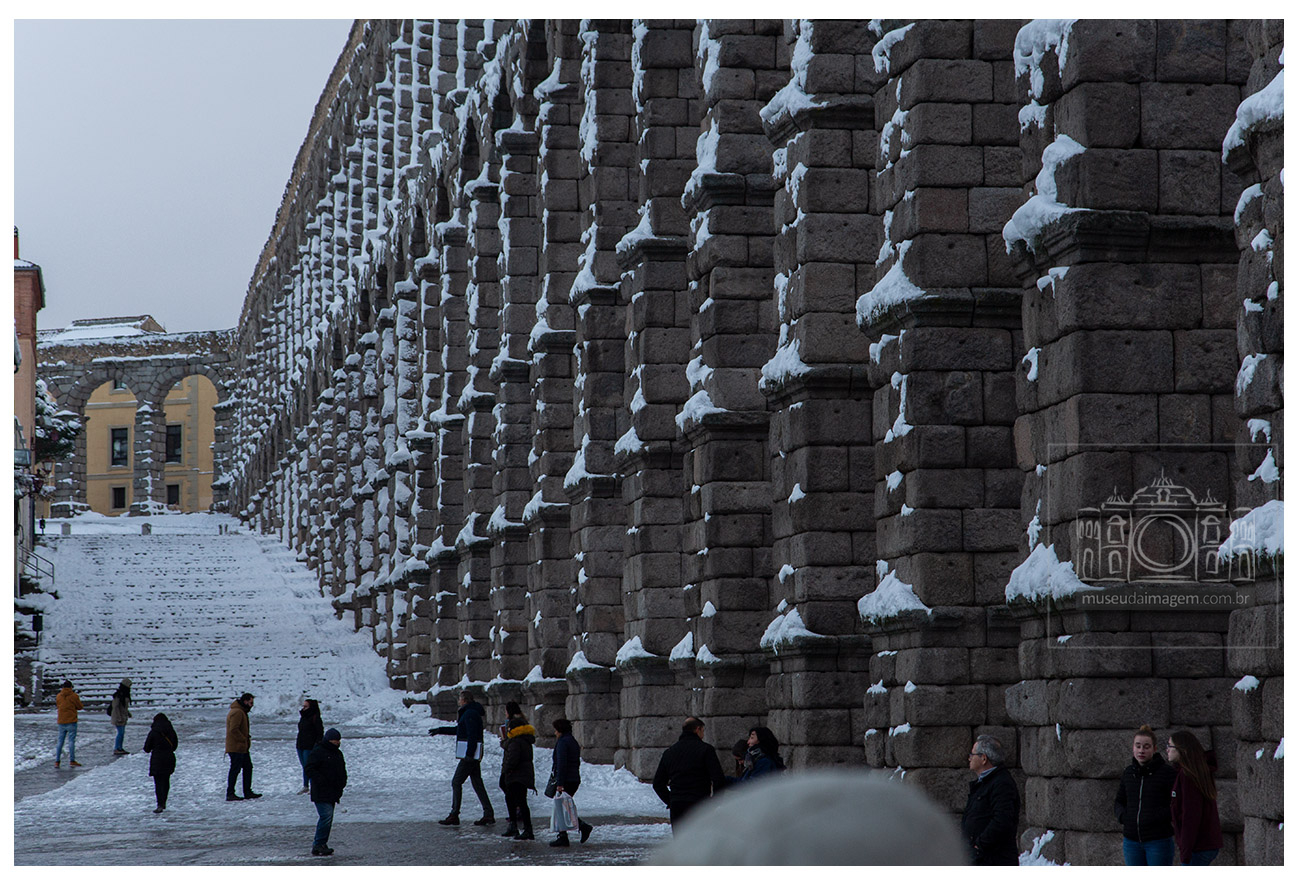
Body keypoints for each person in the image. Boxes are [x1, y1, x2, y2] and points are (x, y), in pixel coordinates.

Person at [428, 688, 494, 825]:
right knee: (477, 783)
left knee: (456, 782)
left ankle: (454, 814)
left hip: (469, 755)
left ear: (464, 700)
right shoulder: (471, 712)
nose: (458, 701)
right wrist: (440, 730)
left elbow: (471, 735)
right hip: (473, 754)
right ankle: (488, 813)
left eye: (459, 698)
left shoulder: (469, 713)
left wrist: (469, 754)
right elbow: (460, 730)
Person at [1114, 724, 1176, 865]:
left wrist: (1157, 817)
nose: (1141, 750)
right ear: (1133, 748)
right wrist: (1123, 816)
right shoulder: (1128, 773)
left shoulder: (1167, 773)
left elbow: (1176, 804)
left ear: (1154, 749)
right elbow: (1119, 800)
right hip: (1131, 841)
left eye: (1146, 747)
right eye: (1138, 746)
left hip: (1158, 841)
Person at [652, 717, 726, 831]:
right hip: (700, 803)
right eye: (703, 731)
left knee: (681, 839)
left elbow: (658, 784)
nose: (703, 735)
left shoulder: (669, 752)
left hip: (677, 805)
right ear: (697, 729)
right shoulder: (706, 750)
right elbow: (718, 779)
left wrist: (671, 800)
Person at [960, 734, 1020, 865]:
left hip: (994, 859)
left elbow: (1003, 820)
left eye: (972, 754)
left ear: (983, 758)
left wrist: (979, 845)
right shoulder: (983, 783)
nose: (969, 758)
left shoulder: (1002, 784)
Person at [1168, 731, 1223, 865]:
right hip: (1203, 845)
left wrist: (1185, 852)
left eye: (1170, 746)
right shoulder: (1196, 772)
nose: (1167, 749)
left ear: (1182, 750)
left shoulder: (1188, 776)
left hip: (1198, 846)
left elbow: (1190, 816)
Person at [549, 718, 593, 847]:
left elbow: (562, 764)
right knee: (563, 807)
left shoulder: (563, 742)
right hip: (573, 778)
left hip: (566, 779)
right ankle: (565, 834)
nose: (555, 733)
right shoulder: (572, 741)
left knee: (562, 807)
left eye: (556, 730)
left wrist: (560, 783)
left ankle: (576, 830)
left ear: (560, 730)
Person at [304, 727, 347, 857]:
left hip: (332, 791)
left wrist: (341, 783)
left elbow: (342, 770)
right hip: (321, 791)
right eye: (335, 740)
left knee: (327, 818)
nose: (338, 742)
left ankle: (320, 844)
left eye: (338, 740)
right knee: (326, 817)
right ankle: (319, 844)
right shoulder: (318, 752)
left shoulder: (337, 753)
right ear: (329, 740)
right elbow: (309, 769)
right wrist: (321, 780)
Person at [499, 711, 537, 841]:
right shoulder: (525, 740)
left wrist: (507, 770)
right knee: (517, 801)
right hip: (522, 775)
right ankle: (518, 827)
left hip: (516, 775)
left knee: (519, 801)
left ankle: (526, 829)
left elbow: (512, 759)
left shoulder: (515, 741)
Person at [225, 692, 262, 801]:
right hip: (237, 747)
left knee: (247, 768)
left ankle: (247, 791)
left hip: (241, 747)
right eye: (251, 703)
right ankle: (230, 793)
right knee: (235, 769)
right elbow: (234, 729)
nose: (252, 705)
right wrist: (243, 739)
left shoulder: (241, 711)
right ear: (245, 701)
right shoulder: (238, 712)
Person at [143, 712, 178, 813]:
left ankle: (159, 803)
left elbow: (146, 748)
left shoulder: (153, 732)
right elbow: (175, 745)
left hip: (157, 759)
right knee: (166, 780)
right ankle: (164, 802)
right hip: (169, 758)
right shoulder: (171, 731)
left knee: (158, 782)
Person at [296, 698, 324, 794]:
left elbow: (320, 733)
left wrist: (317, 744)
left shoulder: (315, 718)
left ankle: (313, 786)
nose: (303, 708)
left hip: (310, 745)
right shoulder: (303, 716)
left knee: (310, 766)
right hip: (301, 744)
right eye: (303, 706)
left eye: (306, 706)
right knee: (304, 766)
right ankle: (305, 785)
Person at [54, 679, 84, 768]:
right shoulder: (74, 696)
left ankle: (57, 761)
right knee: (71, 741)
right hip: (71, 720)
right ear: (71, 687)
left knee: (60, 741)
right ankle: (72, 760)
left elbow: (58, 705)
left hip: (61, 721)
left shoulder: (58, 696)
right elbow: (80, 706)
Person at [109, 678, 133, 754]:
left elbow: (123, 707)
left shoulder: (124, 694)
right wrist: (119, 717)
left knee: (121, 733)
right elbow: (116, 707)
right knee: (120, 733)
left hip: (122, 716)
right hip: (119, 717)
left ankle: (119, 747)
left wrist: (127, 713)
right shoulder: (119, 695)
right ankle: (117, 748)